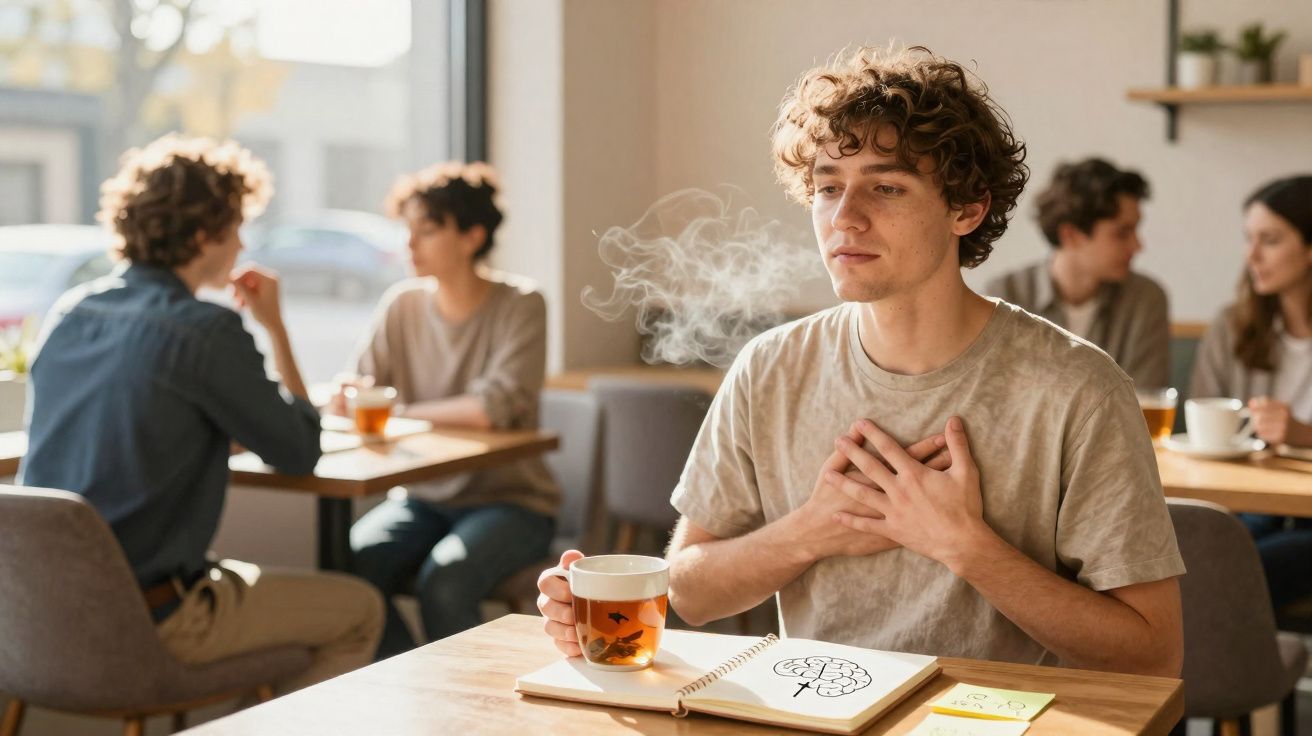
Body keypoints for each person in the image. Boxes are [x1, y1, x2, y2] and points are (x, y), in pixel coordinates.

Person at [537, 46, 1184, 675]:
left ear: (967, 208)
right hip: (817, 717)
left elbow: (1153, 652)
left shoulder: (1079, 387)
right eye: (827, 188)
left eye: (887, 188)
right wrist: (813, 531)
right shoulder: (770, 367)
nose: (845, 219)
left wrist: (965, 545)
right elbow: (692, 591)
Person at [19, 134, 383, 691]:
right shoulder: (204, 331)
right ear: (201, 234)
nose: (241, 245)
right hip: (153, 621)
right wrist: (277, 326)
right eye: (235, 227)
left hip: (35, 624)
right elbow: (299, 451)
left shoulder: (71, 312)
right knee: (360, 609)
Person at [342, 162, 559, 658]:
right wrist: (349, 395)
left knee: (446, 579)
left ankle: (473, 714)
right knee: (351, 563)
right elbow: (361, 386)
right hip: (422, 498)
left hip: (512, 503)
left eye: (428, 230)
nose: (409, 245)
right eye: (407, 231)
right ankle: (411, 684)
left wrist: (398, 409)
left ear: (472, 236)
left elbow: (493, 408)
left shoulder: (521, 304)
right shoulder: (401, 305)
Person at [1191, 175, 1312, 609]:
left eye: (1271, 240)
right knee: (1197, 560)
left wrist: (1303, 434)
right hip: (1249, 506)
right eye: (1249, 239)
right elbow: (1200, 426)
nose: (1252, 255)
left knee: (1227, 575)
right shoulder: (1232, 326)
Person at [987, 157, 1169, 388]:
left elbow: (1142, 402)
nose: (1137, 245)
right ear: (1070, 235)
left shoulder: (1145, 299)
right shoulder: (1004, 295)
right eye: (1122, 233)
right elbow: (996, 397)